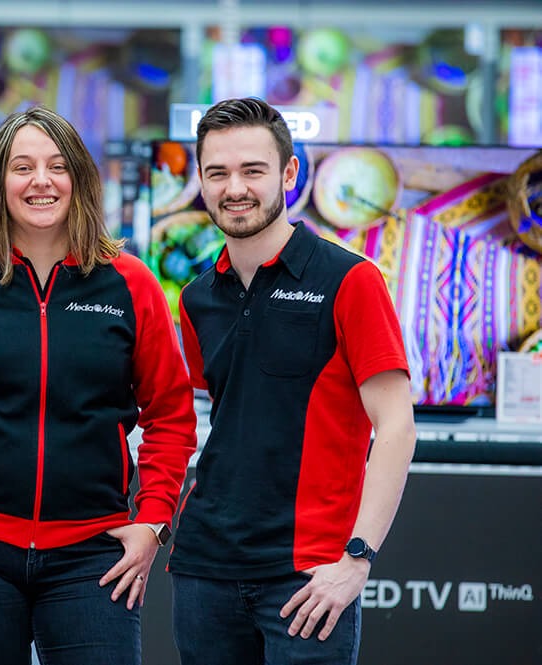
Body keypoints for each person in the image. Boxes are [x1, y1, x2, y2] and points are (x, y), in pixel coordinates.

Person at [0, 106, 197, 665]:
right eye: (22, 166)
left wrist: (153, 521)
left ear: (79, 179)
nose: (41, 181)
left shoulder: (130, 283)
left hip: (94, 556)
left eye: (57, 166)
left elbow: (172, 414)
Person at [170, 97, 417, 665]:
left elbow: (397, 427)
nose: (235, 188)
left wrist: (357, 558)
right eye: (218, 173)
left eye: (252, 170)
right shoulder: (197, 298)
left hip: (308, 578)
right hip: (204, 571)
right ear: (202, 184)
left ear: (288, 174)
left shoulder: (350, 280)